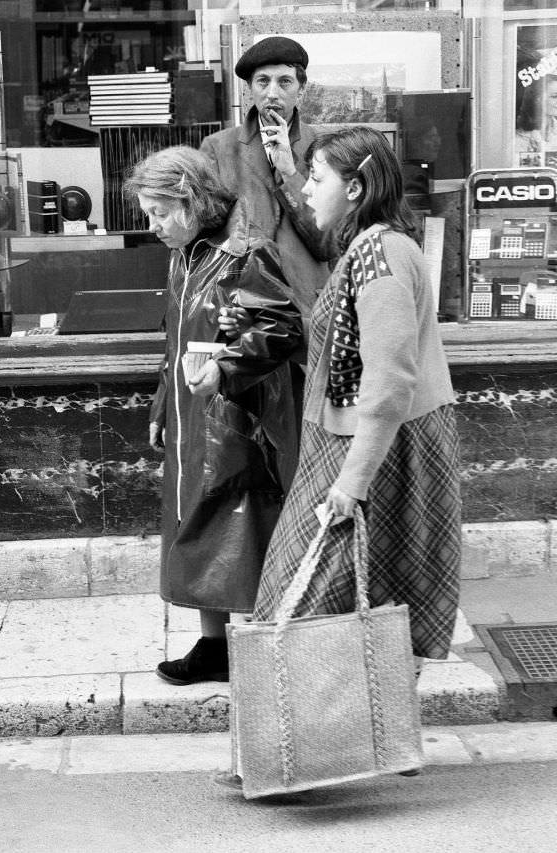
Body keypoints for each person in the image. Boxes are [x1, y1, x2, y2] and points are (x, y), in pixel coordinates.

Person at [253, 126, 462, 668]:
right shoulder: (371, 249)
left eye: (315, 178)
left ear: (355, 188)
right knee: (348, 604)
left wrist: (352, 482)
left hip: (377, 452)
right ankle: (356, 733)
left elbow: (390, 380)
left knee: (311, 601)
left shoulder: (381, 257)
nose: (303, 191)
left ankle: (344, 734)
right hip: (364, 443)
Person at [124, 146, 303, 686]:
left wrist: (228, 368)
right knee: (195, 522)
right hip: (190, 410)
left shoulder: (245, 254)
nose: (153, 226)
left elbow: (280, 327)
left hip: (237, 414)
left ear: (193, 201)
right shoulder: (187, 256)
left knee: (239, 522)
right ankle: (215, 644)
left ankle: (260, 644)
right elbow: (173, 341)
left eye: (160, 212)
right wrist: (161, 403)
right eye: (147, 214)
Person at [201, 36, 336, 322]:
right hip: (244, 309)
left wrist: (289, 172)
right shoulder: (218, 148)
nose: (272, 93)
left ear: (301, 89)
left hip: (311, 308)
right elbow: (207, 238)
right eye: (263, 82)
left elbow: (328, 244)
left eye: (284, 82)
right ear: (250, 89)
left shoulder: (325, 146)